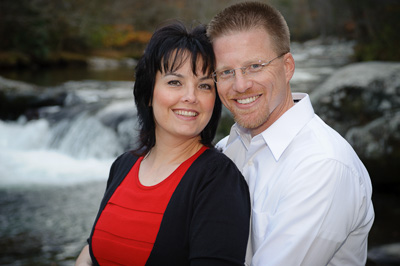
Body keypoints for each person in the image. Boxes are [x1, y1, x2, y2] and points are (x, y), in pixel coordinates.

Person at [207, 2, 374, 266]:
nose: (240, 85)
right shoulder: (229, 148)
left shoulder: (322, 165)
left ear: (287, 67)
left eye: (255, 66)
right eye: (226, 72)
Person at [75, 21, 250, 266]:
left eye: (204, 86)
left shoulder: (218, 179)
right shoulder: (123, 165)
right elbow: (91, 250)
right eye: (175, 82)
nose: (191, 96)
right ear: (148, 94)